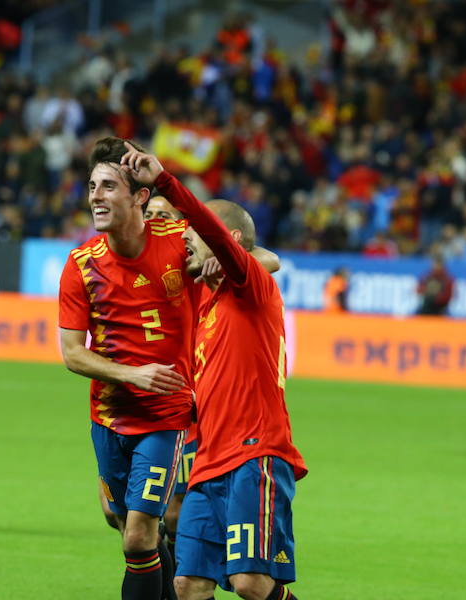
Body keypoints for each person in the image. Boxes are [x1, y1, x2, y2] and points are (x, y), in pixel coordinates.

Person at [119, 142, 308, 600]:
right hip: (207, 463)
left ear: (230, 244)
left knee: (252, 584)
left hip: (254, 454)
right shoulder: (205, 300)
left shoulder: (252, 290)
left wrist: (164, 181)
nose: (184, 235)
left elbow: (228, 240)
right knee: (187, 583)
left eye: (193, 231)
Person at [59, 138, 196, 600]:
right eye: (92, 186)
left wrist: (223, 258)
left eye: (108, 186)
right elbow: (73, 353)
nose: (96, 195)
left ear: (139, 196)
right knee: (125, 528)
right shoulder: (81, 265)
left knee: (139, 534)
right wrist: (131, 374)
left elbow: (260, 258)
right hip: (109, 416)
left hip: (165, 416)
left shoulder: (179, 243)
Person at [416, 251, 454, 315]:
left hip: (440, 308)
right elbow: (418, 290)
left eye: (437, 264)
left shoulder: (447, 279)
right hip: (426, 307)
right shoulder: (427, 276)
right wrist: (426, 291)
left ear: (442, 265)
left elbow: (447, 297)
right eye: (434, 264)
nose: (435, 266)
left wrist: (435, 296)